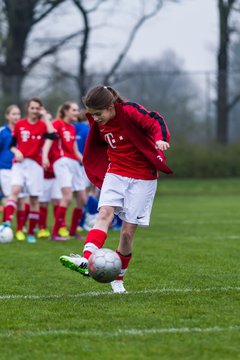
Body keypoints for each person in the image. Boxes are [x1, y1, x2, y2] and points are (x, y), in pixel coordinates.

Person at [59, 85, 172, 293]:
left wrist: (160, 138)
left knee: (127, 233)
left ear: (111, 106)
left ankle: (118, 279)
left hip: (142, 177)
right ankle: (85, 261)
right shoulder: (98, 119)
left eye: (99, 114)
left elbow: (154, 120)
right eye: (92, 114)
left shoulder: (129, 111)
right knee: (104, 213)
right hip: (116, 172)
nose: (96, 119)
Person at [1, 98, 55, 243]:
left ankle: (30, 233)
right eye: (33, 108)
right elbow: (11, 145)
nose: (35, 111)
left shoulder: (43, 125)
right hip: (19, 163)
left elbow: (53, 135)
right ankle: (7, 223)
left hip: (35, 165)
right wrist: (16, 152)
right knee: (15, 190)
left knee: (34, 199)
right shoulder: (20, 124)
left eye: (38, 108)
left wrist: (44, 116)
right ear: (28, 109)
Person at [42, 101, 86, 241]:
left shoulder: (72, 128)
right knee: (66, 197)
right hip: (62, 162)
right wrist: (44, 157)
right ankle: (55, 234)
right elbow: (49, 141)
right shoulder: (57, 124)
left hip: (74, 163)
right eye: (74, 110)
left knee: (82, 198)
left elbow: (74, 150)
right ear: (66, 111)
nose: (76, 112)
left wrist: (85, 160)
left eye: (77, 110)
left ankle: (73, 231)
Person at [0, 104, 29, 241]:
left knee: (22, 199)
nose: (16, 116)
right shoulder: (3, 132)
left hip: (20, 167)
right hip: (5, 168)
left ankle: (20, 229)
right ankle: (5, 227)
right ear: (7, 116)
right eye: (13, 114)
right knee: (12, 197)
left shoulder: (22, 130)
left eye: (18, 114)